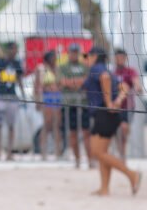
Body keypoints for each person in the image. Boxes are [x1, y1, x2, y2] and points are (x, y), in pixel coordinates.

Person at [83, 46, 141, 196]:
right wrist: (118, 101)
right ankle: (104, 188)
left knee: (96, 152)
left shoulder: (98, 69)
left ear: (95, 56)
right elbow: (125, 86)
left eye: (87, 56)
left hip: (105, 114)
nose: (86, 59)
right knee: (102, 152)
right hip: (107, 115)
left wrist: (109, 102)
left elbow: (105, 78)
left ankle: (132, 174)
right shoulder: (110, 70)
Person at [0, 41, 24, 161]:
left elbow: (19, 80)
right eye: (13, 49)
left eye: (16, 49)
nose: (15, 52)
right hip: (0, 96)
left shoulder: (17, 63)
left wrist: (23, 96)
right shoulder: (0, 62)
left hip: (12, 97)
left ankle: (9, 152)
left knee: (11, 126)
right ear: (9, 50)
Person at [58, 43, 92, 168]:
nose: (74, 54)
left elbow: (87, 81)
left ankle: (90, 160)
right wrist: (78, 82)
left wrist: (72, 82)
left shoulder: (84, 66)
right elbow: (62, 82)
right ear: (69, 53)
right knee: (72, 133)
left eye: (76, 52)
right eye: (72, 52)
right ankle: (77, 160)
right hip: (69, 103)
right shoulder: (63, 67)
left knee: (86, 132)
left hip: (83, 103)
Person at [113, 48, 143, 161]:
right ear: (115, 58)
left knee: (124, 129)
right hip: (115, 107)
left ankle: (122, 155)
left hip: (127, 107)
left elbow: (136, 83)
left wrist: (138, 87)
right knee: (118, 131)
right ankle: (121, 154)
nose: (120, 60)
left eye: (122, 57)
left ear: (125, 58)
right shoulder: (112, 73)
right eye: (118, 58)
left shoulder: (130, 71)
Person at [34, 50, 62, 160]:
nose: (56, 59)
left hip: (57, 98)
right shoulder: (41, 68)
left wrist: (56, 88)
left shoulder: (57, 69)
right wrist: (37, 101)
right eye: (54, 57)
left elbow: (60, 84)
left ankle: (58, 152)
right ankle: (43, 152)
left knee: (56, 125)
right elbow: (37, 86)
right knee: (47, 125)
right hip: (47, 98)